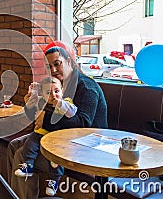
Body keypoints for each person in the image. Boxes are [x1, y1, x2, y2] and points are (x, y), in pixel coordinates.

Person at [8, 41, 108, 198]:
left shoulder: (86, 87)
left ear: (69, 62)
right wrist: (31, 105)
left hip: (86, 147)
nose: (53, 70)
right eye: (50, 66)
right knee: (14, 145)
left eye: (57, 64)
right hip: (61, 138)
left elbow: (83, 124)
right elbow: (46, 114)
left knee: (22, 154)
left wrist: (45, 120)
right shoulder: (60, 86)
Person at [14, 76, 78, 196]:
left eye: (57, 91)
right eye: (48, 93)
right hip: (40, 133)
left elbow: (72, 113)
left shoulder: (66, 102)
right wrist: (32, 91)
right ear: (43, 95)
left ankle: (54, 181)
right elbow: (32, 108)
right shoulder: (42, 101)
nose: (53, 95)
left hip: (57, 138)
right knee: (29, 143)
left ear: (62, 90)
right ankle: (28, 166)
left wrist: (59, 104)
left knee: (54, 160)